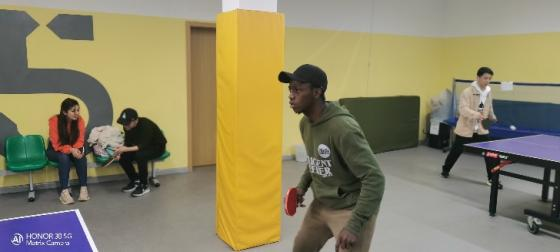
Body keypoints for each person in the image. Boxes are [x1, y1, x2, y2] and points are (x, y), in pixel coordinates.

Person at [278, 64, 385, 252]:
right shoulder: (305, 123)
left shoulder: (342, 128)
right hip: (320, 205)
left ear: (317, 92)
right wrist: (302, 186)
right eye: (290, 89)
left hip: (351, 209)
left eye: (298, 89)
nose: (291, 95)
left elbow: (375, 178)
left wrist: (354, 224)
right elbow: (315, 160)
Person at [441, 67, 502, 188]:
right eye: (485, 78)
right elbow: (463, 109)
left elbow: (489, 107)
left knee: (490, 154)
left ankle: (492, 179)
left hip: (481, 130)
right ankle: (446, 169)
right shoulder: (467, 92)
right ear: (478, 77)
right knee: (456, 151)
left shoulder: (489, 92)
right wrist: (476, 114)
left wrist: (492, 116)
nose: (487, 80)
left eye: (490, 78)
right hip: (466, 129)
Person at [114, 108, 167, 197]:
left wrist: (124, 149)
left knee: (140, 156)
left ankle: (144, 185)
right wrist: (120, 152)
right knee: (123, 157)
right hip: (142, 146)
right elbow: (128, 143)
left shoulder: (146, 125)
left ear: (134, 120)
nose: (125, 126)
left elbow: (142, 146)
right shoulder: (127, 126)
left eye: (127, 123)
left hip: (157, 147)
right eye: (123, 123)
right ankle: (135, 180)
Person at [47, 98, 89, 204]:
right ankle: (64, 192)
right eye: (73, 111)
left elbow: (80, 140)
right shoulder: (54, 120)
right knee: (63, 157)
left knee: (81, 157)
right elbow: (56, 144)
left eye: (78, 110)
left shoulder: (80, 120)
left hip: (73, 148)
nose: (77, 113)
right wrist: (71, 150)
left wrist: (76, 151)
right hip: (55, 150)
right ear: (65, 112)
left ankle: (84, 189)